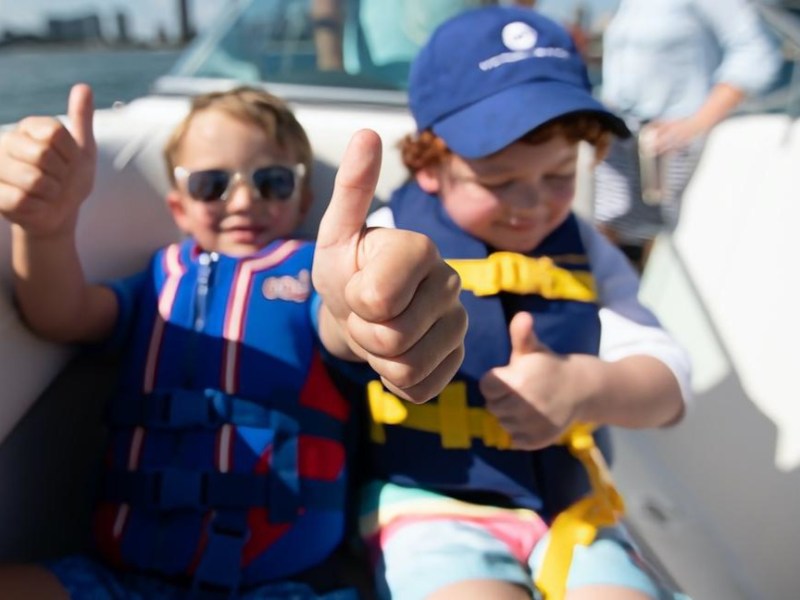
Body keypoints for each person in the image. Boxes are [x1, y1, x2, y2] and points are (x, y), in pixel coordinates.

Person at [0, 84, 466, 598]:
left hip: (283, 586)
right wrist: (47, 229)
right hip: (122, 583)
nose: (243, 200)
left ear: (305, 199)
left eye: (271, 182)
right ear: (179, 207)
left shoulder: (312, 281)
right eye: (211, 184)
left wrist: (369, 310)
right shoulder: (157, 281)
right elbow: (60, 315)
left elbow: (342, 328)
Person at [349, 7, 693, 599]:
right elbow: (340, 317)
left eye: (560, 173)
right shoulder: (389, 237)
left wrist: (584, 387)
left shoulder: (586, 246)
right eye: (499, 179)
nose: (531, 203)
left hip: (571, 514)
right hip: (433, 507)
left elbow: (669, 387)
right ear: (430, 165)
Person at [594, 0, 782, 271]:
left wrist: (697, 123)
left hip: (672, 146)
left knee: (660, 246)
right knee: (602, 228)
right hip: (621, 137)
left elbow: (756, 52)